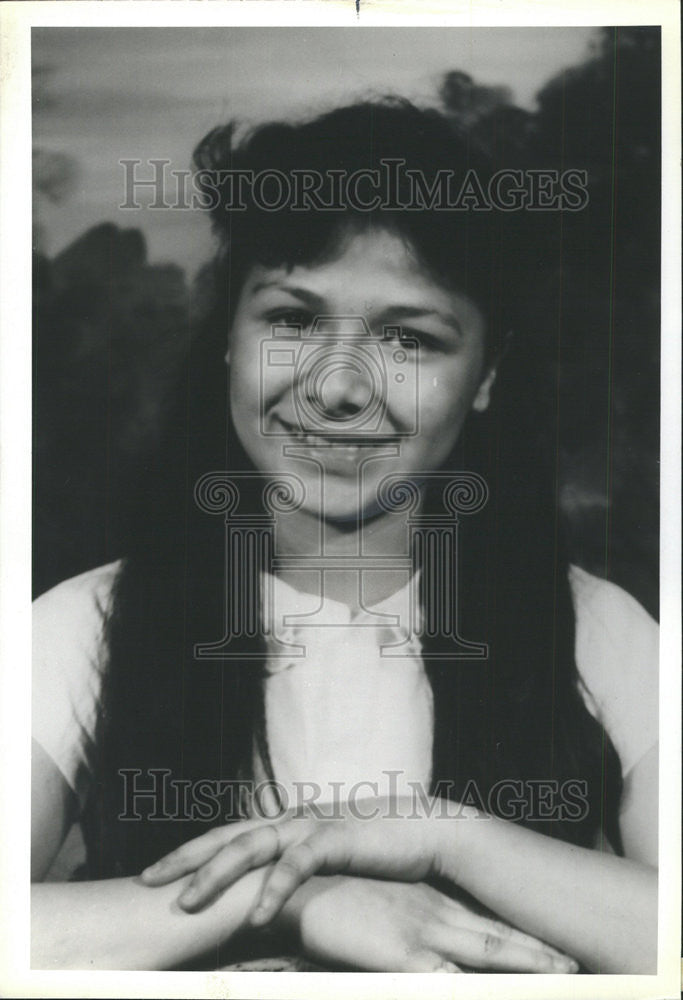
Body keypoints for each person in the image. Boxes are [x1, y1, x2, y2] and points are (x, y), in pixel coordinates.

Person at [31, 100, 658, 972]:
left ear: (486, 377)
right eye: (290, 319)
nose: (337, 389)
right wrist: (296, 894)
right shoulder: (80, 624)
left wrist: (444, 838)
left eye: (408, 338)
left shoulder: (602, 631)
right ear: (228, 338)